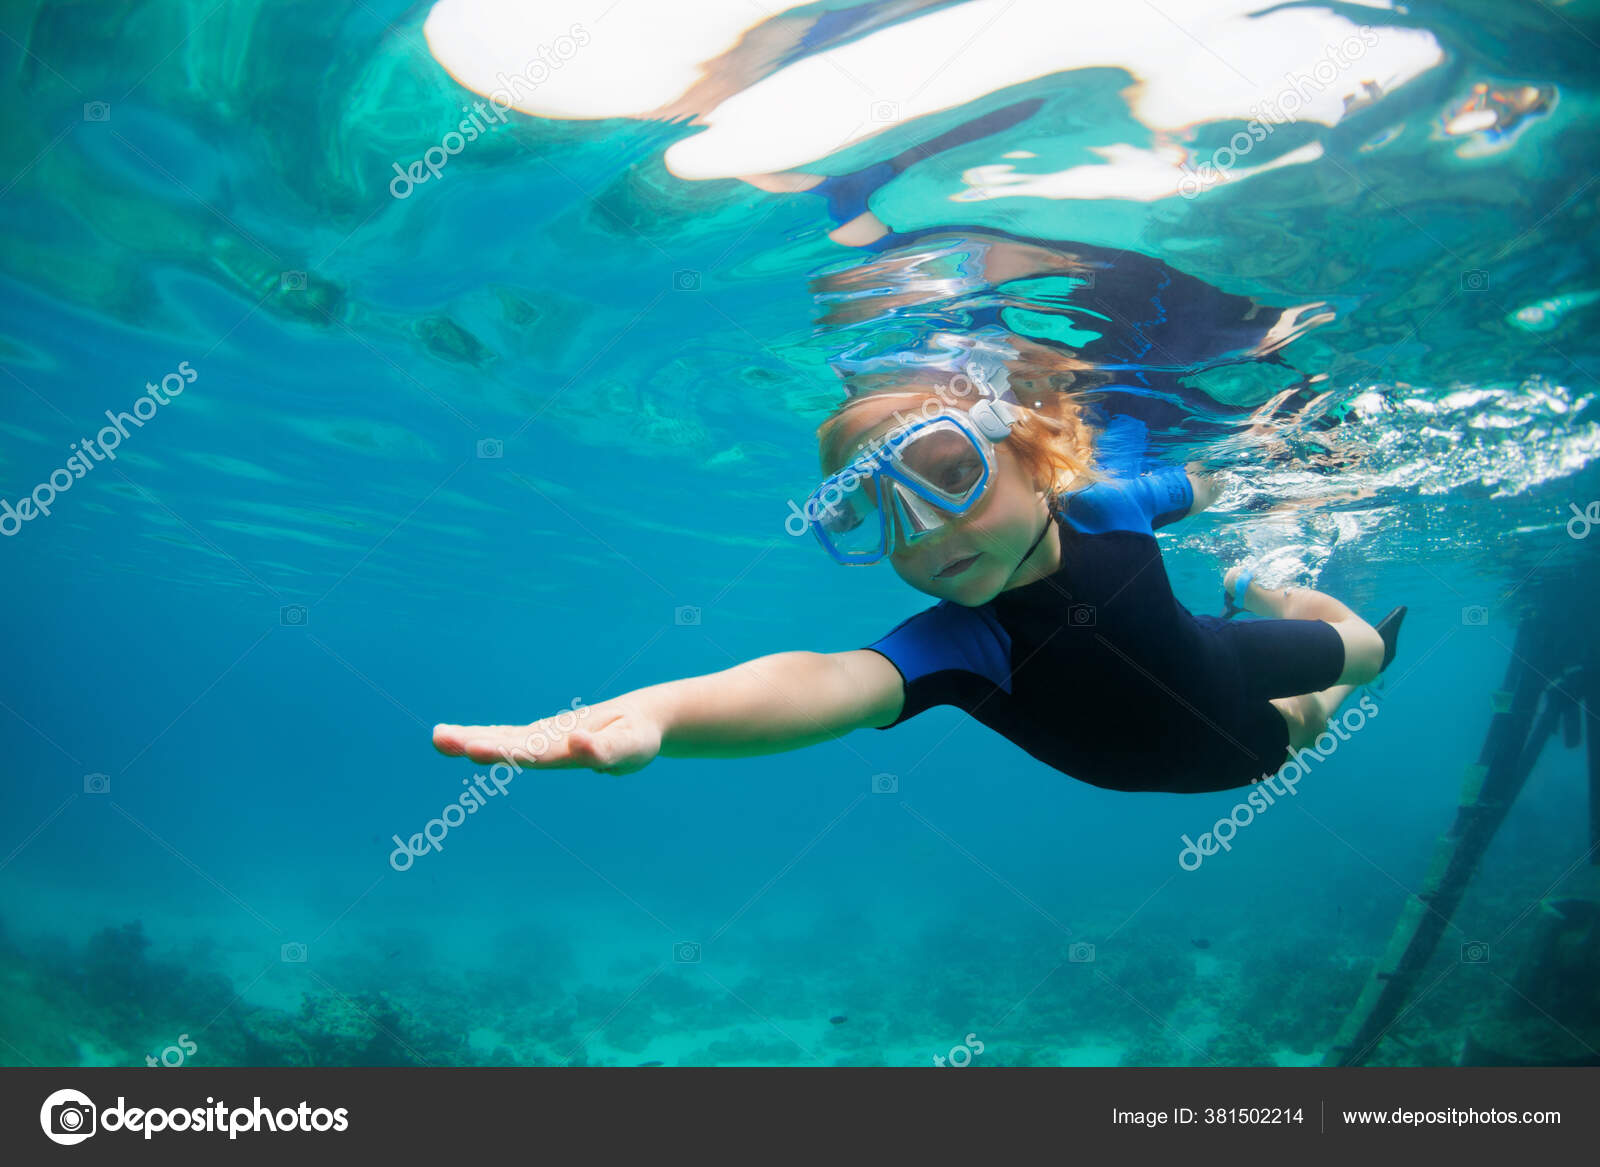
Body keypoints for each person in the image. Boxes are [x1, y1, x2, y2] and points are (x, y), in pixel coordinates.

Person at [432, 381, 1403, 793]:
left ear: (1035, 461)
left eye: (949, 474)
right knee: (1306, 732)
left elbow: (1220, 474)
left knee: (1365, 652)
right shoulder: (962, 645)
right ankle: (1267, 602)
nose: (924, 527)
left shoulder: (1107, 505)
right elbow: (821, 681)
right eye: (871, 513)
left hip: (1220, 660)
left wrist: (1284, 450)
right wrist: (656, 714)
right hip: (1228, 756)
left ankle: (1271, 585)